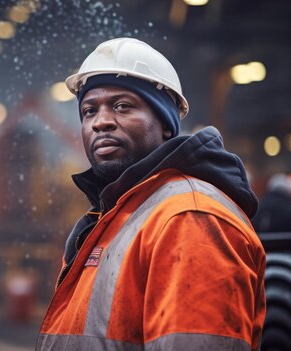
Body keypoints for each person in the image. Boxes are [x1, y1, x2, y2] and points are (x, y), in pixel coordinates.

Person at [37, 37, 266, 351]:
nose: (101, 121)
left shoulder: (189, 218)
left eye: (122, 106)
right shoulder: (117, 216)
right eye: (89, 111)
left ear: (165, 125)